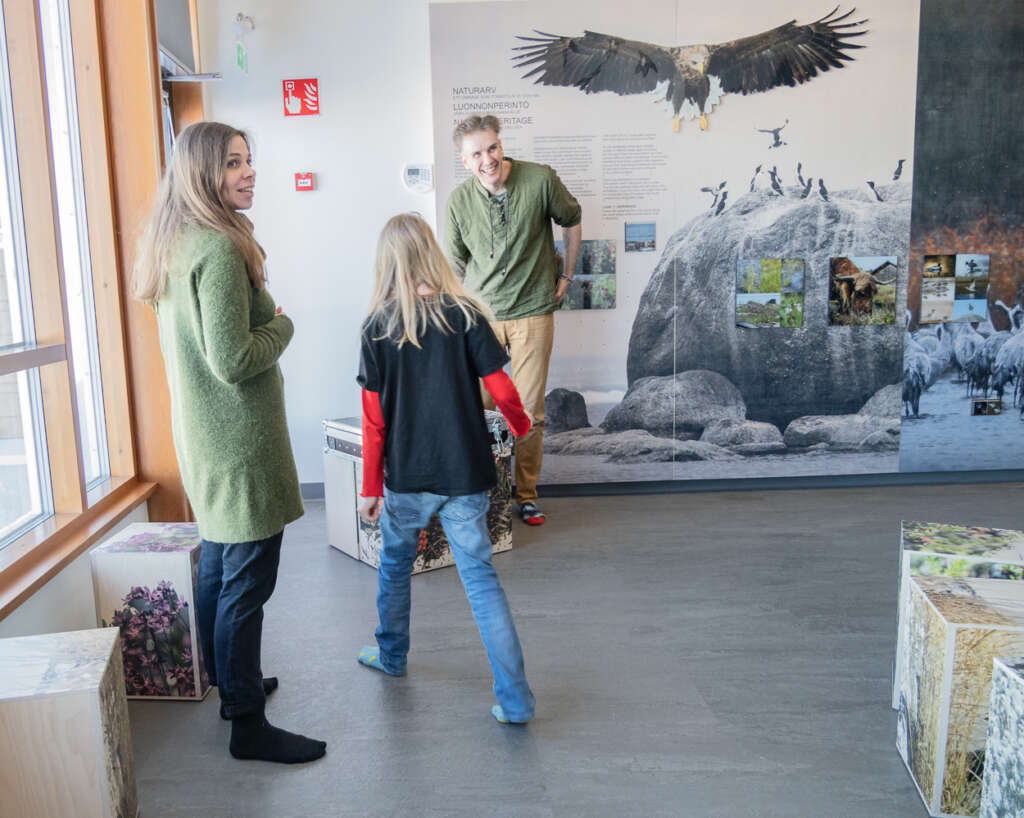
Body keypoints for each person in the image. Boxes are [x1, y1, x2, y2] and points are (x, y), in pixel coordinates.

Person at [133, 121, 326, 764]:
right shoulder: (217, 250)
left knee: (219, 567)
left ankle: (230, 683)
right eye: (233, 164)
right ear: (202, 174)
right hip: (238, 443)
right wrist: (283, 324)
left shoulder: (176, 242)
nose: (248, 173)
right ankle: (246, 721)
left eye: (249, 160)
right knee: (247, 582)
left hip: (206, 439)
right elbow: (234, 358)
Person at [356, 213, 535, 724]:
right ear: (431, 251)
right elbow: (501, 389)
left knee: (394, 569)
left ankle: (392, 658)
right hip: (465, 474)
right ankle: (517, 701)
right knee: (480, 581)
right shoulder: (465, 315)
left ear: (386, 262)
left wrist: (371, 487)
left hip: (407, 479)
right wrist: (521, 428)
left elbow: (374, 421)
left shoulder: (376, 326)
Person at [445, 114, 582, 526]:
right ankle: (487, 490)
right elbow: (453, 267)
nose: (487, 159)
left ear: (500, 146)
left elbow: (571, 219)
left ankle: (525, 494)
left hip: (533, 310)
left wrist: (567, 275)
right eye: (476, 153)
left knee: (528, 410)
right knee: (481, 409)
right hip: (482, 317)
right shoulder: (457, 202)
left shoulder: (540, 179)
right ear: (465, 161)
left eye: (492, 148)